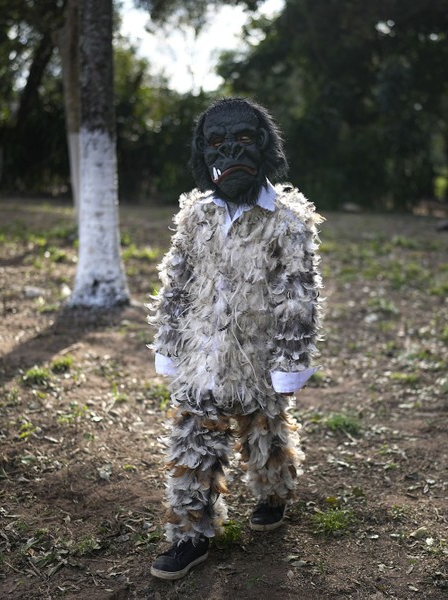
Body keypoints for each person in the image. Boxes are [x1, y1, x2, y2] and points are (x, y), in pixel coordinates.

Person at [148, 97, 324, 580]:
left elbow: (297, 297)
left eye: (244, 140)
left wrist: (289, 364)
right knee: (192, 443)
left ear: (265, 145)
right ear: (203, 155)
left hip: (258, 356)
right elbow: (177, 283)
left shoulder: (288, 221)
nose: (230, 153)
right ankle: (189, 534)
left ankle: (273, 493)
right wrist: (168, 345)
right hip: (200, 356)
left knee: (264, 430)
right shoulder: (195, 217)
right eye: (217, 144)